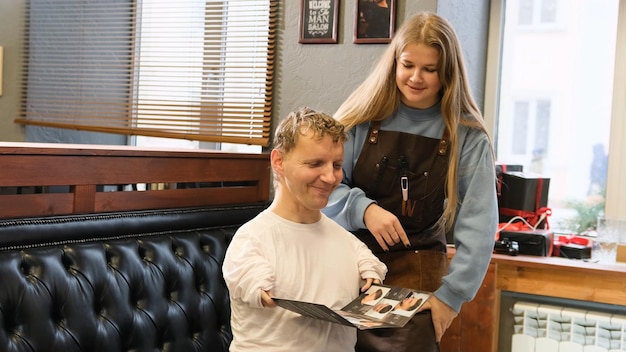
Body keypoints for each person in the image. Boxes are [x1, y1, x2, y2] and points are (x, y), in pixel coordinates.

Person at [322, 11, 498, 352]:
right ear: (394, 64)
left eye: (429, 69)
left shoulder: (468, 138)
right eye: (408, 65)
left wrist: (450, 297)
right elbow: (322, 187)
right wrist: (364, 209)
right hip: (350, 272)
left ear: (447, 73)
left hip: (418, 279)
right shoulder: (360, 119)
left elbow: (480, 228)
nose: (416, 77)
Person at [222, 107, 388, 351]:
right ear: (279, 161)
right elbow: (248, 283)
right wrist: (254, 286)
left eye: (337, 165)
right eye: (315, 164)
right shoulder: (251, 239)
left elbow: (373, 272)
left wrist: (372, 280)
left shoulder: (348, 242)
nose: (331, 178)